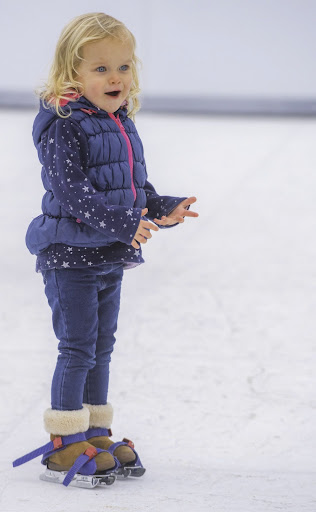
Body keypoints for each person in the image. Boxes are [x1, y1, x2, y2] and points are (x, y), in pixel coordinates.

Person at [12, 12, 198, 487]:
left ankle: (92, 432)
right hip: (69, 252)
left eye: (124, 66)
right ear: (71, 73)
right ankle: (62, 445)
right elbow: (73, 193)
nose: (115, 78)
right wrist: (124, 223)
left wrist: (162, 207)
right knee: (77, 348)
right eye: (100, 69)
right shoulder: (64, 125)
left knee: (102, 347)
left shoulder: (119, 120)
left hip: (107, 250)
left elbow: (132, 188)